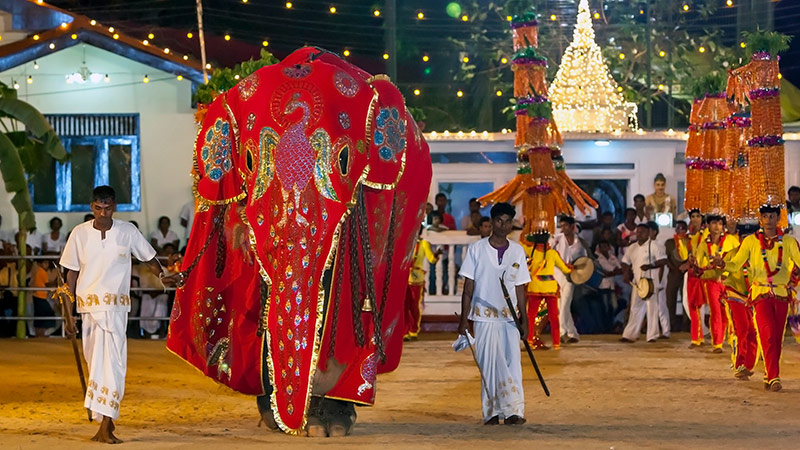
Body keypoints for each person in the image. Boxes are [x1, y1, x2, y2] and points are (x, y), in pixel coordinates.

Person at [59, 186, 175, 443]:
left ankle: (106, 423)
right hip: (88, 310)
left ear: (115, 207)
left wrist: (164, 274)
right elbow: (71, 273)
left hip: (115, 310)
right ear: (91, 207)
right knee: (95, 365)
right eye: (98, 208)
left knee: (113, 365)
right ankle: (105, 422)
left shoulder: (127, 232)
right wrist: (68, 316)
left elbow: (149, 259)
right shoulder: (79, 234)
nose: (103, 213)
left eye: (108, 208)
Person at [458, 202, 530, 425]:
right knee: (488, 364)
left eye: (508, 221)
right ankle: (492, 412)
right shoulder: (477, 250)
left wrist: (524, 320)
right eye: (499, 220)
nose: (503, 225)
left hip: (510, 319)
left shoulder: (518, 250)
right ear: (492, 222)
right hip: (483, 317)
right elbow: (468, 289)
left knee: (512, 364)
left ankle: (514, 411)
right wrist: (464, 320)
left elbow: (520, 287)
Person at [723, 205, 800, 392]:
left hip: (781, 294)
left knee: (776, 338)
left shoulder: (789, 242)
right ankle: (774, 377)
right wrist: (722, 263)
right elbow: (735, 265)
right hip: (760, 294)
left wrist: (792, 282)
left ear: (778, 218)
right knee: (767, 333)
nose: (768, 220)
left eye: (772, 216)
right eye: (764, 216)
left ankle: (769, 374)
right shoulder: (750, 242)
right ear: (760, 219)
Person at [523, 230, 572, 350]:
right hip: (550, 288)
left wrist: (528, 228)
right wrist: (572, 268)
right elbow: (566, 270)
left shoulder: (531, 251)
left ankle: (529, 341)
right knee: (554, 317)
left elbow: (521, 241)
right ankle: (556, 343)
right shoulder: (553, 254)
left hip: (534, 287)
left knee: (531, 316)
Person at [721, 223, 758, 380]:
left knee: (753, 332)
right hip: (735, 295)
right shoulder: (731, 255)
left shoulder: (759, 256)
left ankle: (748, 366)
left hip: (754, 298)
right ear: (739, 237)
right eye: (744, 238)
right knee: (741, 330)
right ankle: (739, 364)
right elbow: (721, 274)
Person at [619, 223, 667, 343]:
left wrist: (651, 266)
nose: (639, 234)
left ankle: (652, 335)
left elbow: (663, 260)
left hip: (651, 281)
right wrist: (625, 273)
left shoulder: (655, 245)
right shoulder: (632, 247)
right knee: (635, 307)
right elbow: (625, 261)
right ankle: (630, 334)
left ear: (648, 233)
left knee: (652, 308)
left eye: (642, 232)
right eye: (638, 231)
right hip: (637, 283)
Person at [692, 213, 729, 352]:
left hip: (728, 281)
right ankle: (717, 343)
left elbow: (736, 260)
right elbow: (700, 265)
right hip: (712, 282)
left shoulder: (731, 240)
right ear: (708, 225)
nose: (716, 227)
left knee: (728, 312)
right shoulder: (703, 244)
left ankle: (730, 338)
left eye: (719, 224)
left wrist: (725, 272)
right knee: (715, 311)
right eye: (713, 223)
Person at [551, 215, 587, 343]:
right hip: (557, 272)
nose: (563, 228)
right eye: (561, 226)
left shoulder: (580, 242)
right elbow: (548, 252)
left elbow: (585, 261)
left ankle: (571, 333)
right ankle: (564, 333)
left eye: (565, 225)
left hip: (571, 275)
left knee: (565, 303)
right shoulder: (556, 239)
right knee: (562, 304)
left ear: (573, 227)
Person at [405, 227, 441, 340]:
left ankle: (413, 330)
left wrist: (436, 255)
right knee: (404, 305)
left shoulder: (424, 243)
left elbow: (431, 259)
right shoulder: (405, 242)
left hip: (416, 277)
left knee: (414, 305)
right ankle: (405, 332)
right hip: (404, 277)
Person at [685, 209, 706, 348]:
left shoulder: (707, 235)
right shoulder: (687, 237)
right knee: (692, 304)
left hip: (707, 273)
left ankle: (722, 337)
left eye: (698, 216)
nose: (695, 219)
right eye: (693, 216)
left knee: (718, 306)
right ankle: (697, 337)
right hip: (692, 273)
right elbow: (683, 255)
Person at [664, 220, 689, 332]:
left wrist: (686, 268)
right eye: (679, 228)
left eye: (683, 228)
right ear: (675, 229)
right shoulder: (669, 242)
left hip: (686, 273)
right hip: (673, 273)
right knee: (670, 298)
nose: (681, 230)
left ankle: (686, 323)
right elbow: (666, 258)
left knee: (686, 299)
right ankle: (672, 323)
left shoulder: (689, 242)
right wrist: (673, 268)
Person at [648, 222, 671, 339]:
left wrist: (660, 281)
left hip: (658, 279)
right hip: (650, 279)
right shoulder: (647, 245)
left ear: (654, 232)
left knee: (661, 306)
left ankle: (666, 331)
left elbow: (662, 264)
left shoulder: (658, 245)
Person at [595, 239, 622, 332]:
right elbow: (601, 273)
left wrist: (610, 273)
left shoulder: (612, 257)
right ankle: (606, 328)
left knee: (613, 307)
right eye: (602, 247)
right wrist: (613, 272)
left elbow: (620, 269)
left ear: (608, 247)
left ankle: (611, 326)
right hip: (602, 287)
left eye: (605, 246)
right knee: (605, 307)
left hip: (611, 286)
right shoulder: (597, 258)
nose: (604, 249)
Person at [31, 258, 55, 337]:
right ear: (40, 264)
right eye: (45, 263)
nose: (46, 265)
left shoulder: (39, 271)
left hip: (38, 295)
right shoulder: (42, 272)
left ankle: (40, 333)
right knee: (46, 313)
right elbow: (47, 284)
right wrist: (56, 282)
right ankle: (41, 333)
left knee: (40, 315)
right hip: (40, 295)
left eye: (47, 263)